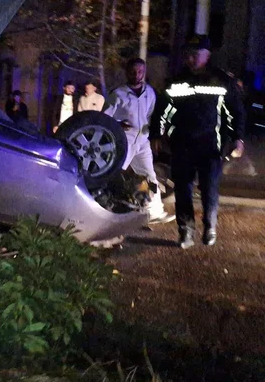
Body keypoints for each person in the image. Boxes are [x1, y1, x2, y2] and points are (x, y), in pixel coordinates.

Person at [152, 35, 245, 249]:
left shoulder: (222, 80)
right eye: (188, 54)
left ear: (207, 55)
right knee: (183, 190)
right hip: (182, 146)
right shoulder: (176, 81)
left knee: (209, 188)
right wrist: (156, 134)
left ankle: (210, 226)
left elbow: (236, 112)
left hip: (211, 147)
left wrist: (238, 138)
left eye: (196, 54)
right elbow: (161, 111)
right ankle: (186, 230)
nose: (191, 58)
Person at [104, 58, 175, 225]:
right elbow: (105, 118)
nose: (137, 75)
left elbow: (151, 114)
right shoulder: (118, 94)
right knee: (114, 175)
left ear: (144, 72)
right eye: (133, 72)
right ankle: (107, 212)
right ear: (127, 72)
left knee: (150, 176)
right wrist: (118, 124)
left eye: (140, 72)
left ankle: (154, 212)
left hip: (142, 142)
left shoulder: (149, 92)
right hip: (124, 141)